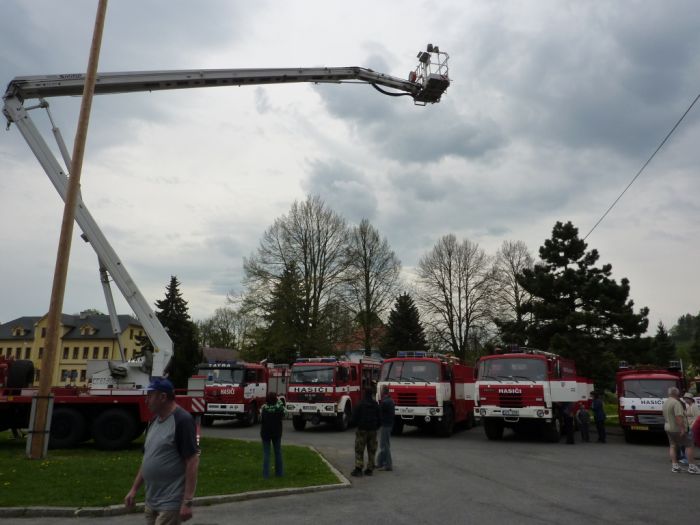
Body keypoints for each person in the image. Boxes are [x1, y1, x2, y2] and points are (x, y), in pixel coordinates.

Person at [125, 378, 200, 523]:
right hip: (151, 501)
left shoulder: (182, 420)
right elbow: (148, 458)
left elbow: (192, 460)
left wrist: (187, 502)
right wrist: (134, 489)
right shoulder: (154, 421)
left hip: (170, 502)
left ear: (163, 397)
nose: (146, 400)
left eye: (150, 396)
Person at [662, 386, 699, 474]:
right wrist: (682, 429)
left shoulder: (666, 402)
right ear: (676, 393)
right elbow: (678, 417)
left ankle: (675, 466)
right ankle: (692, 467)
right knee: (689, 445)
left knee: (673, 445)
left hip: (668, 427)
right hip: (677, 428)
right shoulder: (676, 403)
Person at [350, 388, 381, 477]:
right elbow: (380, 418)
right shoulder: (375, 405)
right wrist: (376, 427)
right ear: (372, 394)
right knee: (372, 450)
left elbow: (354, 418)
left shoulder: (360, 404)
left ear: (364, 394)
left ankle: (358, 469)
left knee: (359, 449)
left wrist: (357, 425)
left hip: (362, 430)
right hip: (373, 430)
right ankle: (370, 469)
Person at [260, 391, 285, 478]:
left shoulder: (264, 408)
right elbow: (284, 413)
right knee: (278, 452)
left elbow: (261, 419)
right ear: (275, 400)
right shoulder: (279, 409)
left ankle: (265, 475)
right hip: (277, 433)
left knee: (266, 453)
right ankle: (279, 473)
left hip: (265, 433)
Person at [376, 385, 395, 471]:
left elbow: (379, 413)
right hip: (389, 424)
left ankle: (388, 464)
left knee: (384, 445)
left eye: (381, 390)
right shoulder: (391, 400)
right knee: (384, 444)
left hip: (385, 425)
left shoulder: (385, 402)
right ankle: (380, 463)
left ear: (383, 391)